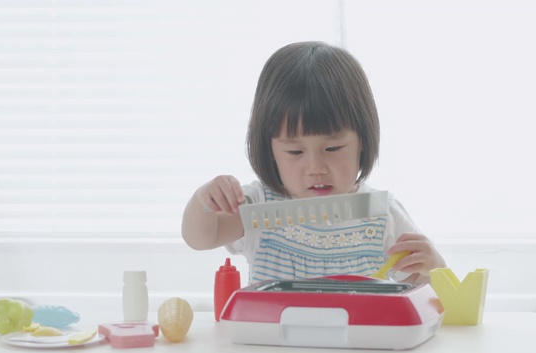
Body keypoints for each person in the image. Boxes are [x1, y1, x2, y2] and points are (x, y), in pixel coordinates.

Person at [182, 41, 445, 284]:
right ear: (270, 149)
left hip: (359, 337)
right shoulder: (258, 206)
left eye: (332, 148)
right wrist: (205, 200)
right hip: (271, 336)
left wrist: (434, 268)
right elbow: (200, 239)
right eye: (295, 152)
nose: (316, 168)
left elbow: (430, 294)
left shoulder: (382, 215)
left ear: (363, 141)